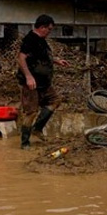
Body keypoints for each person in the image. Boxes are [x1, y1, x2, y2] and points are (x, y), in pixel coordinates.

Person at [16, 14, 70, 149]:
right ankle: (25, 143)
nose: (49, 32)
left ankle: (38, 128)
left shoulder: (42, 40)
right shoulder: (30, 40)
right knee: (31, 112)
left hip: (44, 83)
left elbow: (43, 57)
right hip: (32, 84)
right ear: (42, 27)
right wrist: (28, 77)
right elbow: (21, 58)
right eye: (49, 29)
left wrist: (57, 61)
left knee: (55, 101)